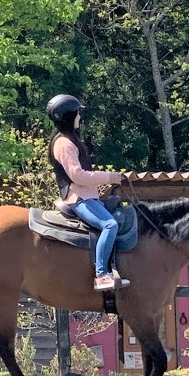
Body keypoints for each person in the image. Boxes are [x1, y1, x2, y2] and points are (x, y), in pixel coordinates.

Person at [46, 93, 128, 291]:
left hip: (88, 196)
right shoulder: (64, 144)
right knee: (109, 225)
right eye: (77, 114)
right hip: (79, 199)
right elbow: (78, 175)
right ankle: (101, 275)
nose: (80, 118)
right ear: (69, 116)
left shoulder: (69, 141)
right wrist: (109, 177)